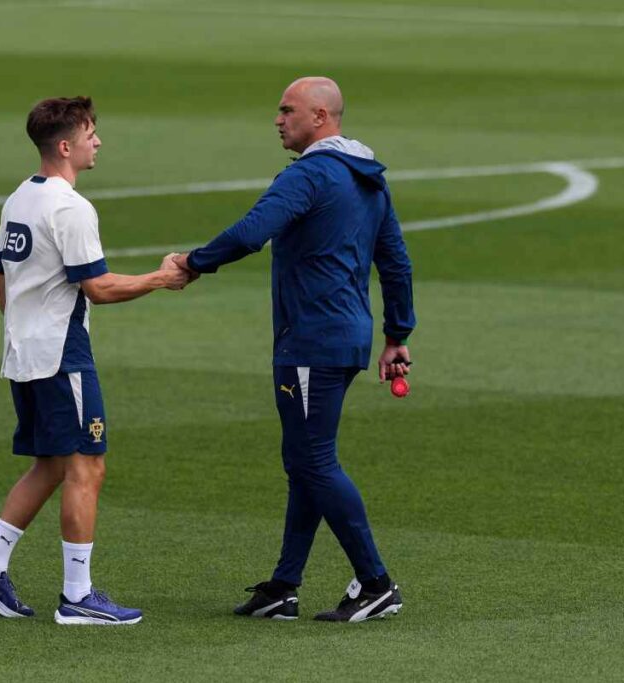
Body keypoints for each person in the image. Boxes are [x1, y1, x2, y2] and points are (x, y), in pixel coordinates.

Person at [172, 77, 416, 623]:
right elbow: (395, 260)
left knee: (313, 461)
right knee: (305, 461)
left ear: (322, 116)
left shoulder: (310, 175)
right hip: (347, 338)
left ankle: (376, 582)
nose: (278, 120)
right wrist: (397, 335)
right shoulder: (369, 179)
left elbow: (253, 230)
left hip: (311, 341)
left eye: (288, 110)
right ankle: (284, 586)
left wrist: (193, 263)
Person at [0, 96, 190, 626]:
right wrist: (161, 278)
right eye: (90, 134)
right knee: (87, 465)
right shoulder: (71, 208)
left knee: (52, 464)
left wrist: (21, 325)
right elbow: (99, 288)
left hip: (24, 351)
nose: (98, 142)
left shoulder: (21, 197)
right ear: (65, 146)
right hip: (62, 355)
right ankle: (78, 597)